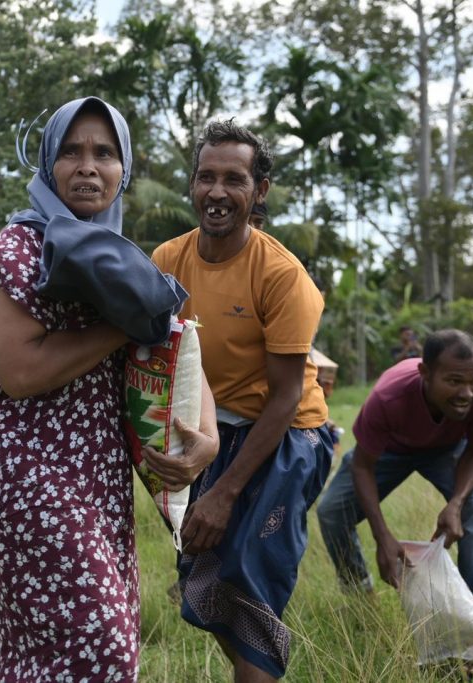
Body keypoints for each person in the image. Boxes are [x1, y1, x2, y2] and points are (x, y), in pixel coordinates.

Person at [0, 96, 216, 682]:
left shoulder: (121, 259)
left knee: (102, 633)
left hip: (95, 468)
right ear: (49, 163)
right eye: (71, 151)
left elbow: (176, 341)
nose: (87, 166)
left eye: (104, 152)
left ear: (124, 168)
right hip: (22, 466)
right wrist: (122, 323)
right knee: (97, 640)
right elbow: (19, 374)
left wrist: (208, 438)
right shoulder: (19, 247)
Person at [150, 119, 332, 682]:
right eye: (207, 177)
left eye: (234, 179)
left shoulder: (282, 276)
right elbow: (152, 369)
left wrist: (224, 494)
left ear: (260, 190)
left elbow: (283, 399)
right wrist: (166, 475)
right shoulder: (167, 261)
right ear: (193, 183)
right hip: (208, 435)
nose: (217, 192)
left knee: (250, 586)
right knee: (209, 579)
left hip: (284, 438)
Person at [315, 330, 473, 678]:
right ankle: (361, 596)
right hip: (391, 450)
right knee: (332, 511)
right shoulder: (389, 398)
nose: (467, 392)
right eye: (453, 381)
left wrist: (456, 503)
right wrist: (382, 537)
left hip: (452, 451)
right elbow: (363, 465)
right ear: (425, 374)